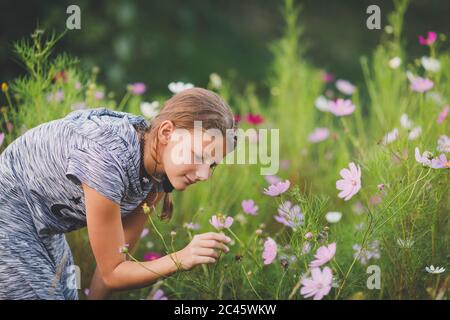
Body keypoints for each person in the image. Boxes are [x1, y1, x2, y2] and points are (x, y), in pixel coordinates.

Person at [0, 87, 237, 299]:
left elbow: (114, 268)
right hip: (9, 212)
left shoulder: (156, 175)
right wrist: (180, 259)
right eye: (198, 156)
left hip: (45, 227)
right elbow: (114, 273)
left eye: (212, 164)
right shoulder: (108, 158)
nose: (205, 175)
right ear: (166, 133)